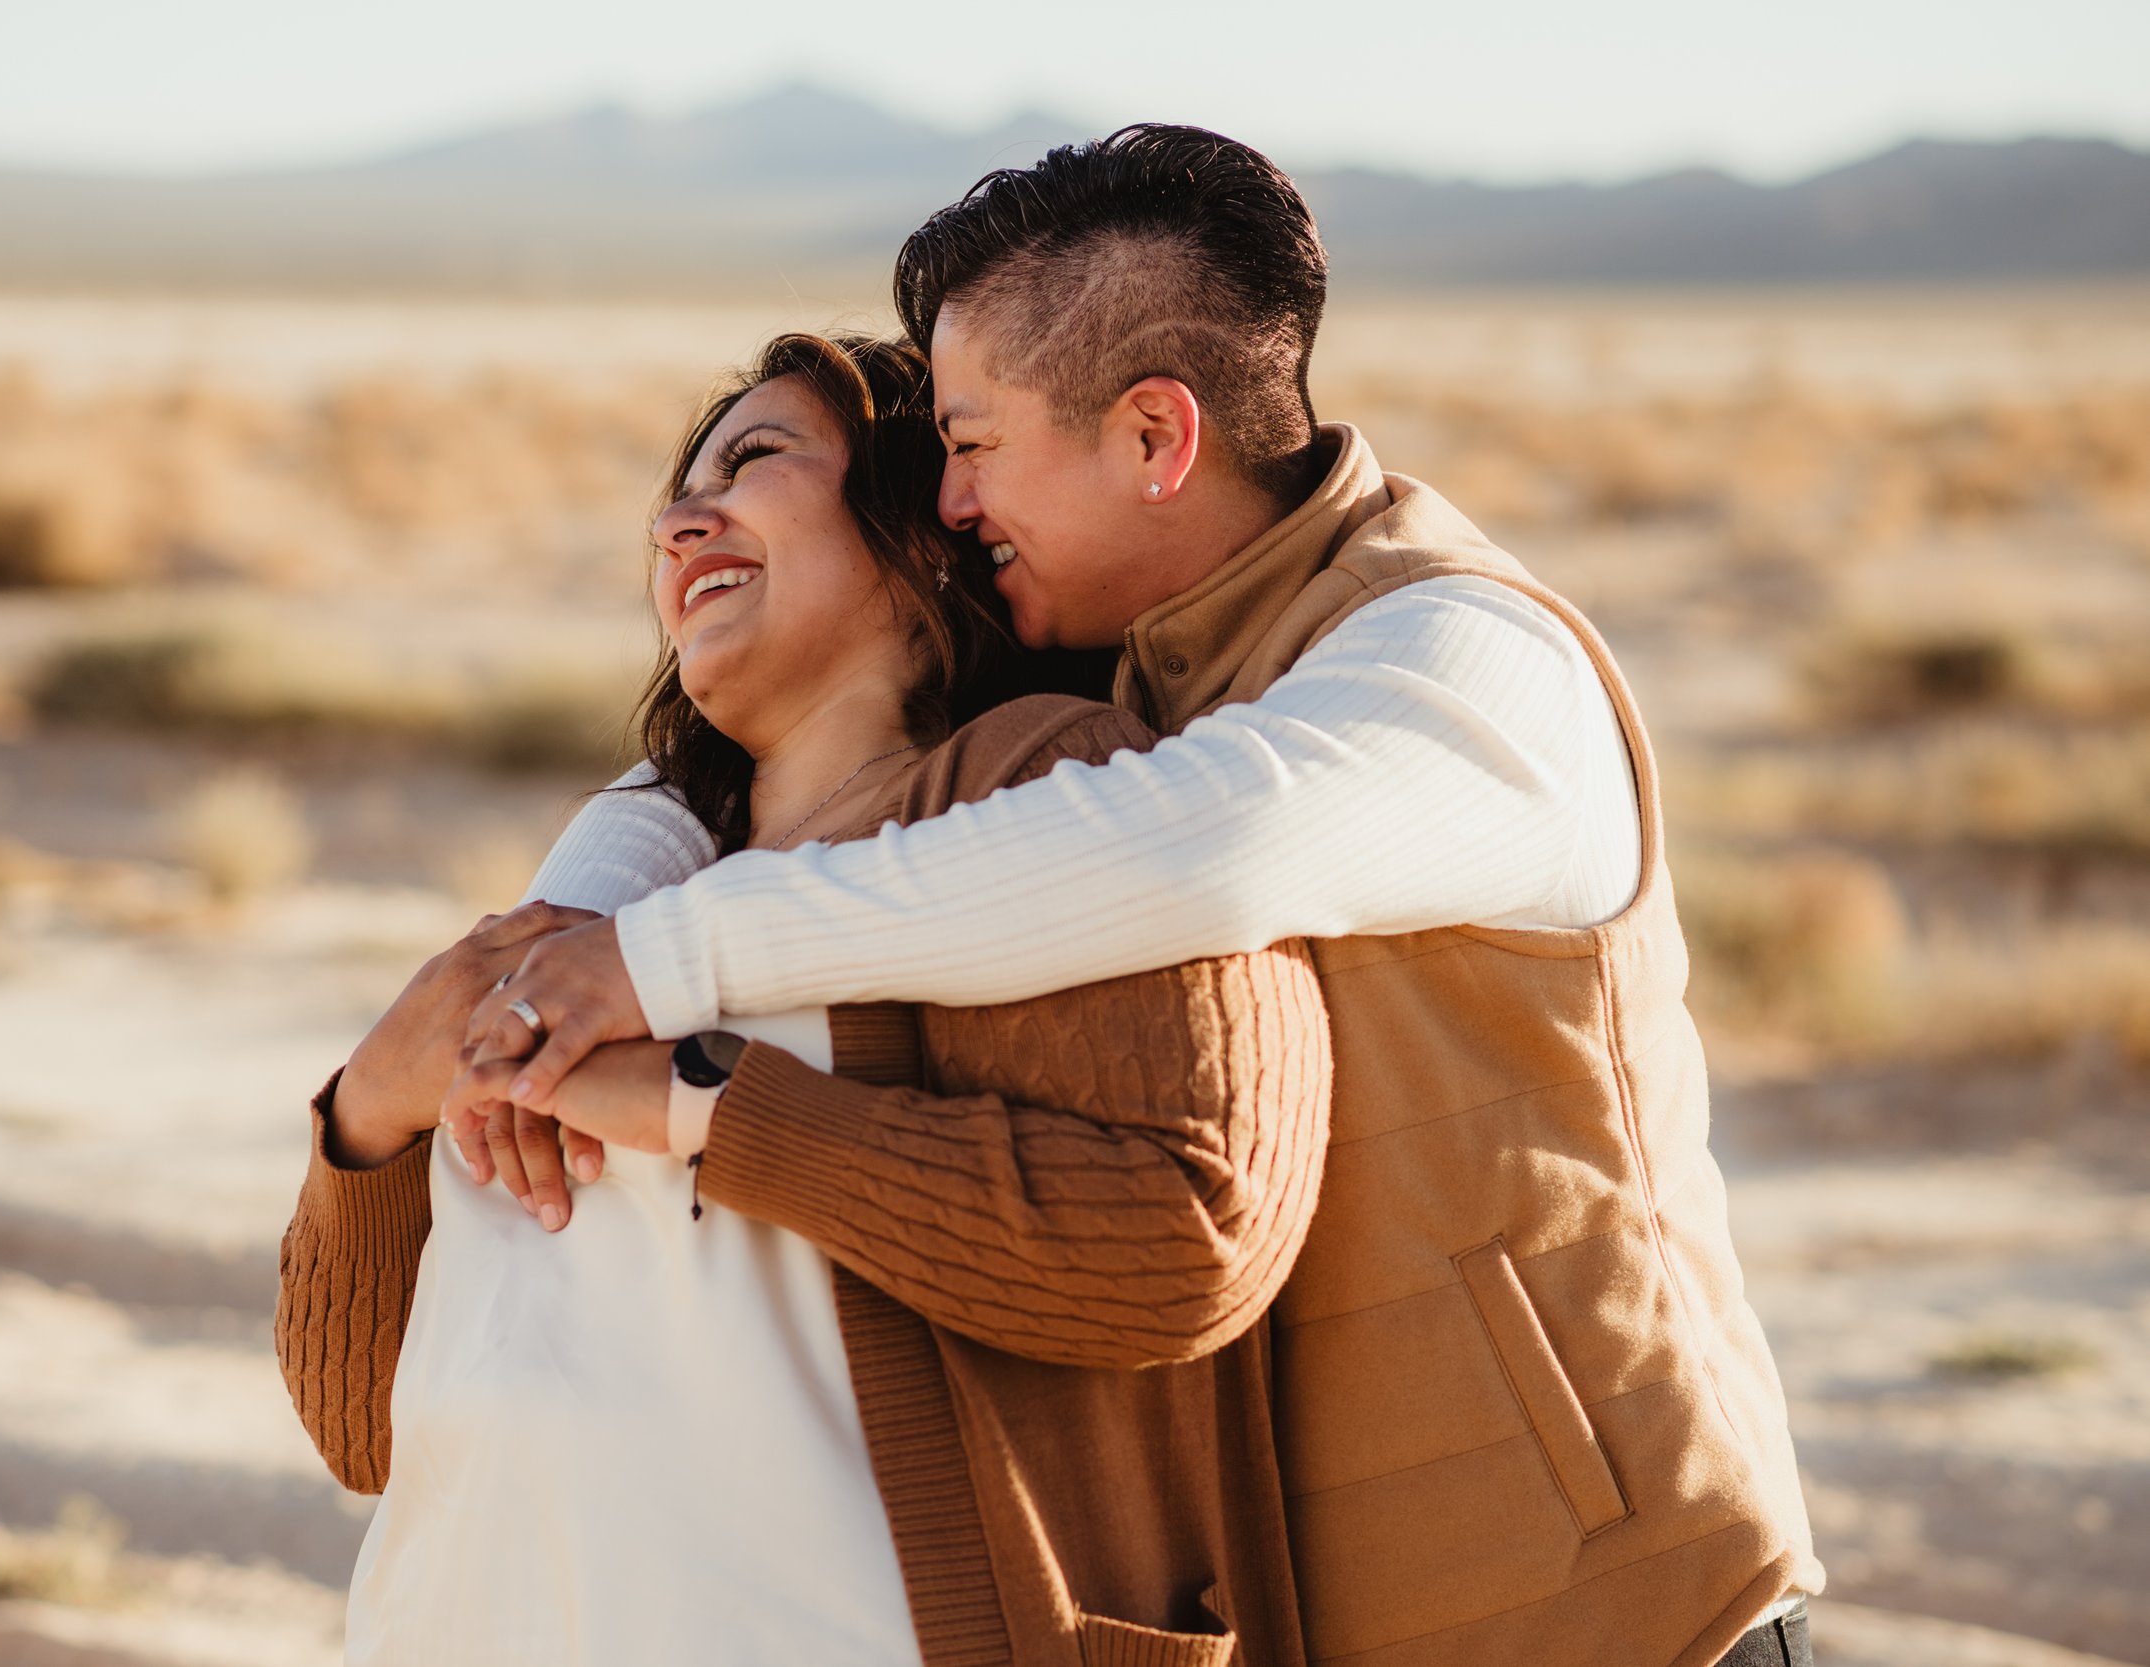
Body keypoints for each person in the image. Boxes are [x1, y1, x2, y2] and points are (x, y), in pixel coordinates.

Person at [458, 127, 1823, 1667]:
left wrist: (658, 967)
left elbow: (1204, 849)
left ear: (1155, 439)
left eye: (975, 443)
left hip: (1628, 1616)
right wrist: (583, 910)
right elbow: (750, 764)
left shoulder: (1465, 660)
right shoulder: (1141, 661)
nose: (955, 498)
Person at [279, 331, 1328, 1666]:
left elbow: (1182, 1243)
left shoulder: (1044, 795)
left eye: (757, 457)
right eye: (677, 491)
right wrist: (368, 1114)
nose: (678, 520)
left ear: (934, 530)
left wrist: (703, 1103)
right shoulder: (596, 903)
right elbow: (363, 1428)